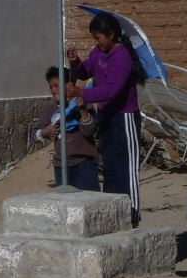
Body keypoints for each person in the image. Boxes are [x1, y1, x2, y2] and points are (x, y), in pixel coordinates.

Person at [66, 12, 148, 225]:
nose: (97, 42)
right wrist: (76, 64)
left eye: (99, 38)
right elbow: (86, 72)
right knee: (110, 167)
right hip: (107, 117)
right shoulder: (97, 53)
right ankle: (114, 215)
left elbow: (111, 90)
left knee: (126, 169)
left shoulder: (122, 57)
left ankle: (132, 216)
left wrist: (81, 93)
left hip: (124, 118)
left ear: (111, 35)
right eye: (94, 38)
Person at [35, 66, 100, 190]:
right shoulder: (50, 110)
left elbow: (91, 131)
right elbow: (34, 134)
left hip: (84, 163)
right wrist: (46, 131)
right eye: (51, 87)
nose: (54, 90)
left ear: (68, 85)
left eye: (57, 85)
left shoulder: (82, 103)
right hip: (61, 166)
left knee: (89, 202)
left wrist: (82, 110)